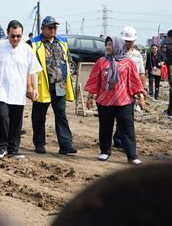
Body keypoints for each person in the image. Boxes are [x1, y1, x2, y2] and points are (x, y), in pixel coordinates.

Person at [84, 36, 145, 165]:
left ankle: (132, 156)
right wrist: (90, 97)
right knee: (105, 127)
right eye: (107, 45)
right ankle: (105, 151)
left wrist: (141, 97)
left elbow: (135, 81)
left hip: (124, 100)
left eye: (111, 45)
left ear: (117, 45)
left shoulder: (128, 62)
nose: (108, 47)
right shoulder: (101, 61)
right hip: (104, 101)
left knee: (127, 129)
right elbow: (95, 80)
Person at [0, 20, 42, 159]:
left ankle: (13, 149)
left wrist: (35, 88)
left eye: (18, 36)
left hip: (19, 91)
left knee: (16, 121)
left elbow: (33, 70)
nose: (15, 39)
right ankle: (1, 147)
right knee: (3, 118)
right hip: (1, 89)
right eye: (13, 36)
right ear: (7, 33)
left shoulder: (26, 49)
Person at [29, 16, 77, 155]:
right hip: (42, 84)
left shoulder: (62, 42)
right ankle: (39, 144)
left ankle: (66, 145)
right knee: (39, 116)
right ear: (42, 28)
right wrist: (30, 86)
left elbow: (67, 59)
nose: (53, 30)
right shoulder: (33, 43)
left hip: (60, 84)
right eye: (50, 27)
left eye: (55, 27)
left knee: (61, 115)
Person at [113, 26, 146, 148]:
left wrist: (142, 93)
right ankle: (118, 139)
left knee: (126, 118)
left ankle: (120, 139)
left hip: (130, 91)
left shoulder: (137, 56)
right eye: (125, 41)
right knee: (119, 117)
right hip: (117, 90)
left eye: (130, 41)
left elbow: (141, 74)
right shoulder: (115, 55)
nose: (127, 43)